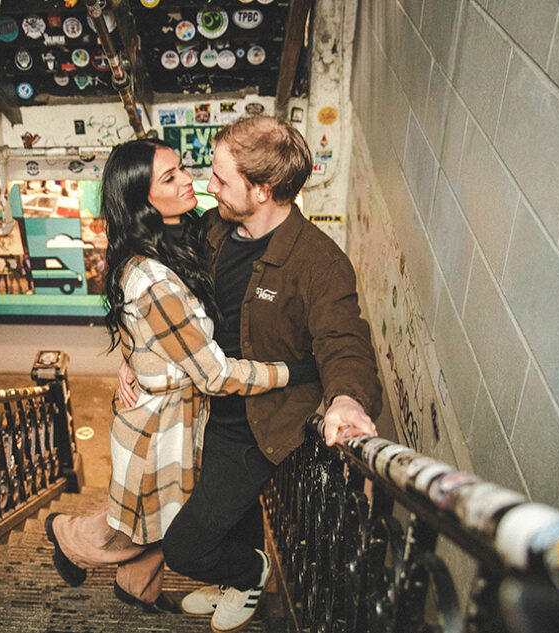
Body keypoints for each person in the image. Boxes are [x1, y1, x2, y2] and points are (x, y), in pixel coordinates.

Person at [113, 115, 379, 633]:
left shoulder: (319, 263)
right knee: (233, 515)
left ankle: (251, 574)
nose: (208, 186)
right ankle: (237, 582)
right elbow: (158, 298)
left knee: (185, 545)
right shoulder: (213, 228)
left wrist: (347, 399)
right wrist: (134, 351)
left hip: (258, 427)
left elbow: (344, 340)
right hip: (203, 411)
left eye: (220, 178)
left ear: (262, 191)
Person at [45, 139, 320, 614]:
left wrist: (134, 355)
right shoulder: (152, 278)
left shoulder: (187, 233)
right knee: (142, 526)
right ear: (143, 199)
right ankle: (68, 537)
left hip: (181, 415)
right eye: (169, 178)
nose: (189, 180)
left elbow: (153, 332)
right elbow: (213, 375)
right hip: (157, 427)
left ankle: (136, 588)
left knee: (160, 517)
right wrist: (294, 372)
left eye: (181, 168)